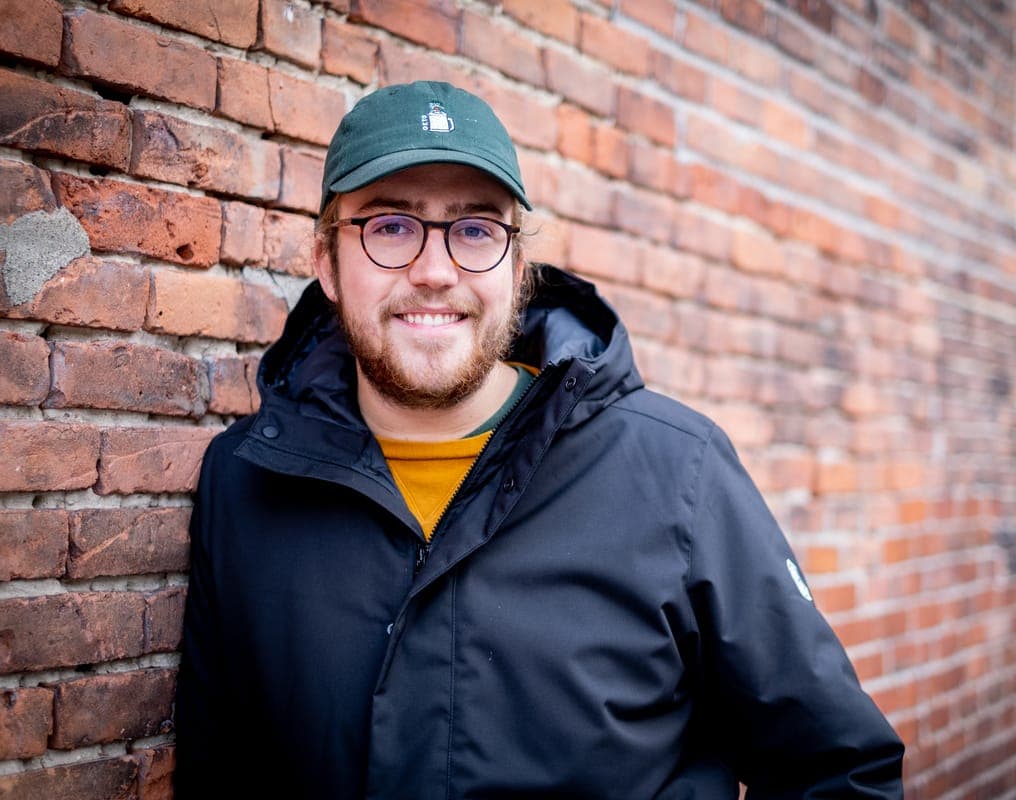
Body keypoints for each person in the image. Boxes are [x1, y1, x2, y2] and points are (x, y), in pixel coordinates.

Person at [173, 80, 905, 799]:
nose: (434, 271)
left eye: (475, 229)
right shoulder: (244, 484)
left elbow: (840, 773)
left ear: (518, 269)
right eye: (389, 225)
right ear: (326, 263)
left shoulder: (676, 471)